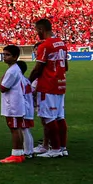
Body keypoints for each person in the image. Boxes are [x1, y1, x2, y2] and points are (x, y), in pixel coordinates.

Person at [30, 18, 68, 158]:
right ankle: (63, 148)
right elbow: (66, 66)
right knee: (60, 117)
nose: (37, 33)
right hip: (60, 84)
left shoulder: (45, 45)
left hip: (48, 85)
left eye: (36, 30)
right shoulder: (61, 43)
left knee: (48, 118)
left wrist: (28, 82)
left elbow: (38, 68)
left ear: (41, 29)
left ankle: (55, 149)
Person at [0, 45, 27, 164]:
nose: (4, 57)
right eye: (4, 54)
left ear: (15, 57)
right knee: (17, 128)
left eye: (7, 55)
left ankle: (16, 154)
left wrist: (1, 79)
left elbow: (3, 88)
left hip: (12, 105)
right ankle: (19, 154)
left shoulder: (12, 71)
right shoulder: (16, 69)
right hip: (16, 103)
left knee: (14, 129)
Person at [17, 60, 35, 158]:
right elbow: (32, 91)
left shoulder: (20, 80)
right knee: (25, 129)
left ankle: (28, 152)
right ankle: (30, 150)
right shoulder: (26, 80)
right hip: (28, 106)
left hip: (24, 107)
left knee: (24, 129)